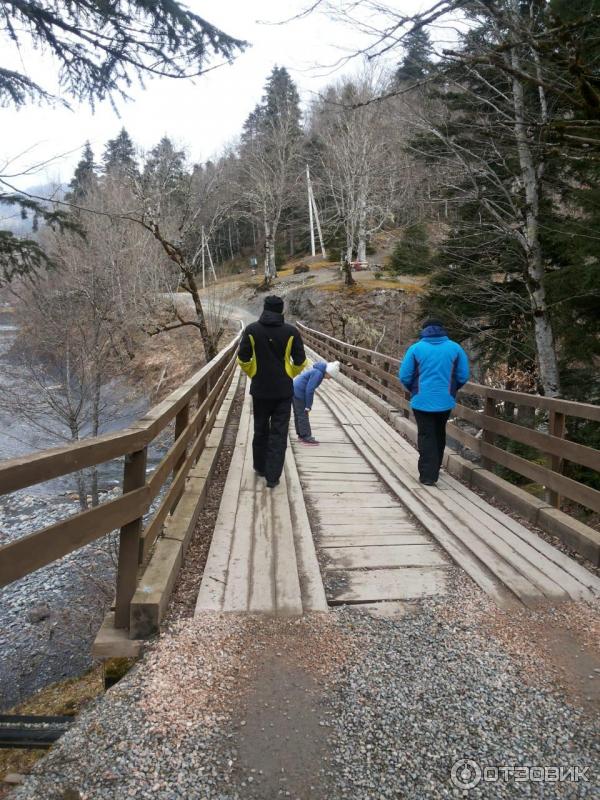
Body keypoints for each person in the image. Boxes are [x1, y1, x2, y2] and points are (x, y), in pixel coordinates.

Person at [237, 295, 307, 488]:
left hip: (260, 390)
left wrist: (254, 373)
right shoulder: (291, 332)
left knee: (260, 429)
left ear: (265, 309)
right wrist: (289, 373)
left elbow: (243, 359)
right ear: (281, 311)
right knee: (279, 432)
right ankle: (273, 477)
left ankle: (259, 467)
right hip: (283, 391)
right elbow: (301, 361)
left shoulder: (252, 330)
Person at [398, 318, 469, 486]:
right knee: (439, 433)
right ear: (442, 330)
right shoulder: (455, 348)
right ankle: (435, 467)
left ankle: (428, 475)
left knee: (426, 434)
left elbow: (404, 376)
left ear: (424, 330)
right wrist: (452, 390)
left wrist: (414, 390)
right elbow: (463, 376)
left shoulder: (416, 349)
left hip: (421, 400)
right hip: (445, 400)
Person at [293, 360, 340, 445]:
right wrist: (308, 405)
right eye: (331, 376)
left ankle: (301, 434)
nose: (330, 379)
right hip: (299, 392)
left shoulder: (318, 372)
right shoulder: (318, 374)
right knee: (303, 414)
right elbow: (309, 390)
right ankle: (306, 437)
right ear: (328, 372)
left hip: (295, 390)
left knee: (298, 414)